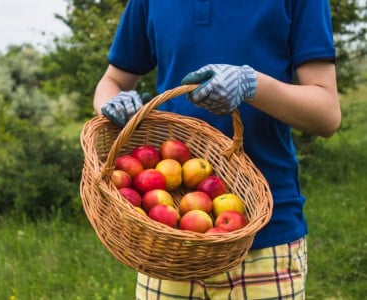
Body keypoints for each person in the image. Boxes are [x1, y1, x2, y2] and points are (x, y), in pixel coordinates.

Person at [93, 1, 341, 299]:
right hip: (168, 240)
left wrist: (252, 85)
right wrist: (111, 104)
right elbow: (114, 80)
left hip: (263, 238)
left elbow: (327, 115)